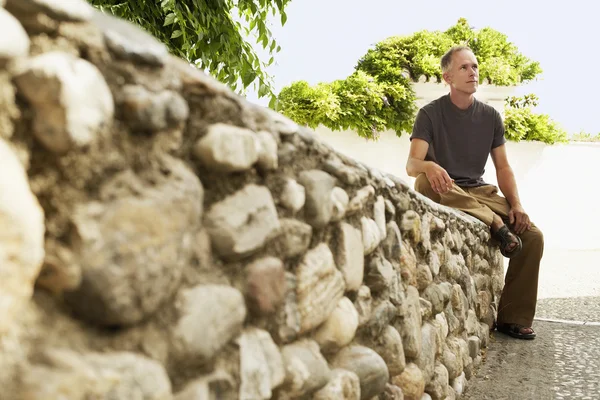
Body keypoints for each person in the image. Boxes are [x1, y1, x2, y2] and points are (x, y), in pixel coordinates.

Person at [406, 45, 544, 340]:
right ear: (447, 77)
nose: (473, 72)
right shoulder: (429, 114)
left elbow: (503, 168)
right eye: (464, 68)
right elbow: (412, 164)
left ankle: (512, 318)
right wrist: (429, 166)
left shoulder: (491, 117)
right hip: (446, 188)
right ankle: (494, 224)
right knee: (424, 182)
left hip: (479, 192)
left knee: (532, 236)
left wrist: (516, 204)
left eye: (475, 67)